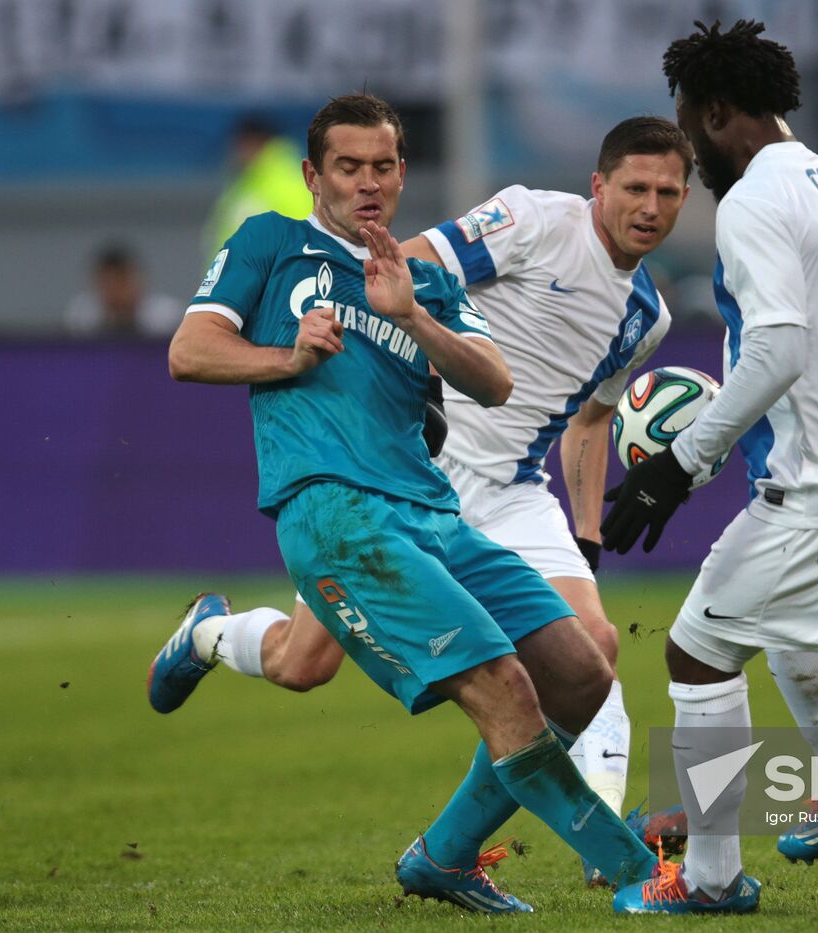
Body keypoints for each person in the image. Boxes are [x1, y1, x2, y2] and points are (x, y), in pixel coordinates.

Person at [149, 116, 695, 883]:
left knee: (590, 650)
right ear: (599, 186)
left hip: (506, 487)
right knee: (305, 663)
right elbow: (395, 260)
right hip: (415, 463)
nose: (650, 205)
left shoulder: (648, 316)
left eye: (668, 192)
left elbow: (594, 418)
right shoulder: (535, 219)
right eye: (636, 187)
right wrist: (373, 364)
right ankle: (210, 634)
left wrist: (584, 532)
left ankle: (522, 848)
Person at [603, 21, 818, 914]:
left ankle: (711, 879)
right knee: (793, 621)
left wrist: (676, 465)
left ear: (717, 112)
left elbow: (779, 351)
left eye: (688, 122)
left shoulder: (754, 199)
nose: (689, 149)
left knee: (700, 649)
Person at [201, 116, 314, 263]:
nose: (235, 153)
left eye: (240, 145)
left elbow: (304, 242)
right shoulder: (245, 184)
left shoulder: (290, 185)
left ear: (255, 142)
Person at [63, 243, 182, 338]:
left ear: (138, 280)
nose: (115, 290)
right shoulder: (81, 317)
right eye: (107, 283)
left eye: (121, 281)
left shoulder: (168, 316)